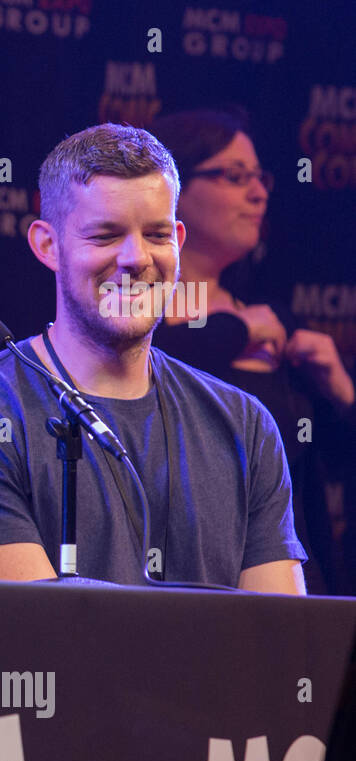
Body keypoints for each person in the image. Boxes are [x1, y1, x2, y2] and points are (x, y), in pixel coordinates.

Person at [0, 123, 306, 592]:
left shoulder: (245, 425)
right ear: (47, 245)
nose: (135, 258)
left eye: (156, 234)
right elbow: (22, 635)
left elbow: (278, 641)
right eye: (105, 236)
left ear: (178, 241)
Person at [148, 108, 356, 594]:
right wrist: (235, 329)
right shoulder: (138, 314)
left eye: (259, 178)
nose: (258, 193)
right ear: (172, 187)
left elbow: (332, 459)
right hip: (185, 585)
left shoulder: (279, 325)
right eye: (233, 177)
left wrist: (343, 393)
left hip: (294, 583)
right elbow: (170, 354)